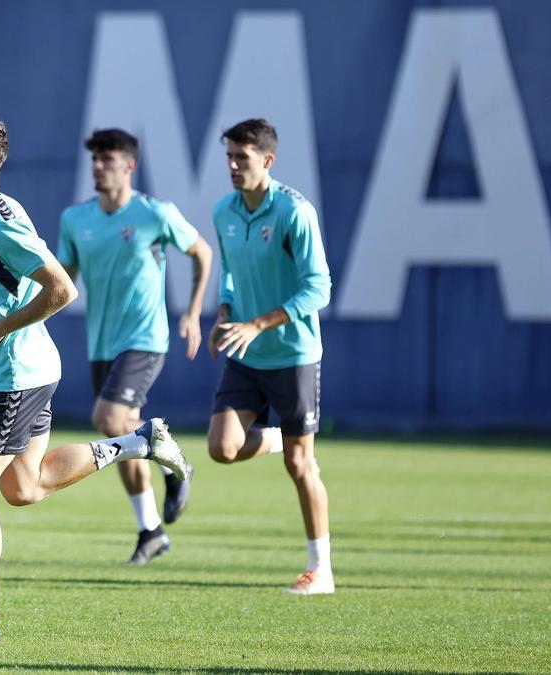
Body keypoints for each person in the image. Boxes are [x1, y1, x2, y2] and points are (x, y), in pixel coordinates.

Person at [0, 116, 190, 645]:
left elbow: (61, 290)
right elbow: (7, 296)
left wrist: (0, 329)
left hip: (17, 374)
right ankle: (140, 441)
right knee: (25, 486)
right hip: (22, 367)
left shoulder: (0, 219)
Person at [57, 128, 212, 565]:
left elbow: (202, 252)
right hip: (101, 343)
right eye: (94, 159)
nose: (98, 166)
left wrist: (192, 310)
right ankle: (151, 529)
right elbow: (64, 279)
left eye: (107, 159)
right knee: (123, 431)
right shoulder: (75, 219)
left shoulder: (154, 214)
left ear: (130, 166)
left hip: (145, 338)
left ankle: (167, 462)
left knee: (107, 418)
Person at [206, 118, 334, 595]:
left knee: (301, 466)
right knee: (221, 448)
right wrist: (224, 310)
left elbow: (319, 286)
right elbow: (230, 272)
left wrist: (259, 322)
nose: (234, 167)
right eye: (230, 158)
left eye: (243, 158)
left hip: (294, 353)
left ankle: (320, 569)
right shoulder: (224, 211)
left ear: (268, 161)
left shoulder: (294, 213)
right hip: (246, 352)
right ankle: (282, 437)